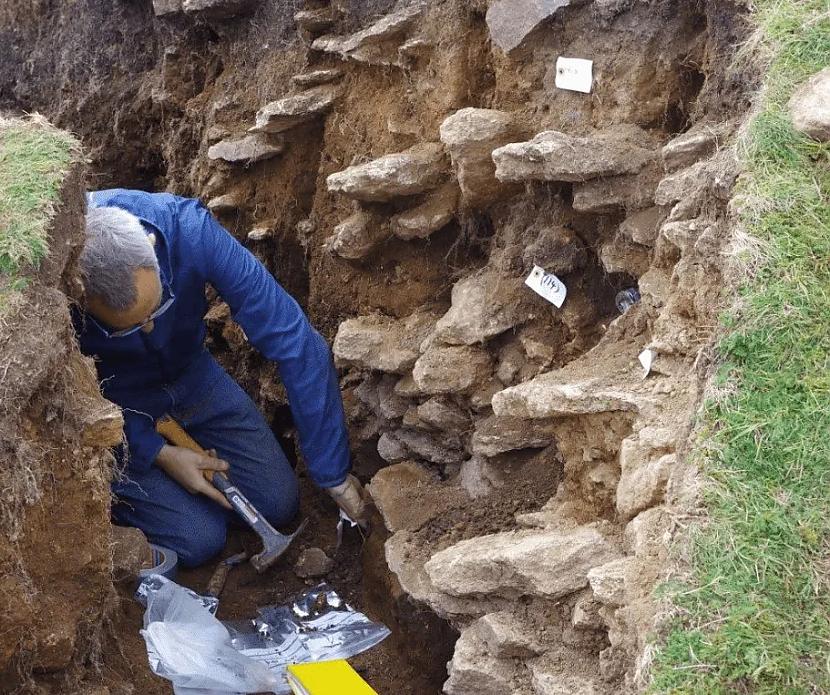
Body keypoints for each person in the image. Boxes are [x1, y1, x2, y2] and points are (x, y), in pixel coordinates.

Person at [73, 188, 369, 567]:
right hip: (117, 401)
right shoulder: (57, 288)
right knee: (200, 540)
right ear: (80, 294)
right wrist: (158, 453)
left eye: (156, 310)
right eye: (127, 329)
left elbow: (294, 339)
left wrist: (333, 473)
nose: (149, 330)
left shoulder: (187, 230)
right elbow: (72, 406)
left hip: (190, 373)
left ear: (152, 248)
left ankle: (187, 489)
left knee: (279, 501)